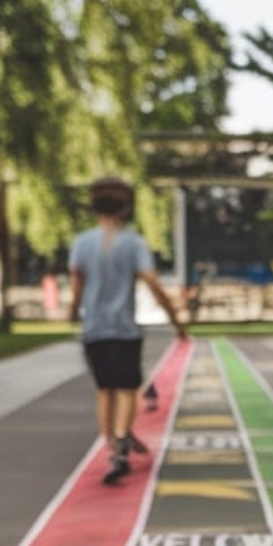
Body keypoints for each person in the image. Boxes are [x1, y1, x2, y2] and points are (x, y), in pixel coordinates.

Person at [69, 176, 188, 486]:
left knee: (104, 389)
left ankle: (112, 444)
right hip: (125, 328)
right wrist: (175, 317)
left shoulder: (82, 243)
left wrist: (73, 311)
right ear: (126, 208)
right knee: (127, 388)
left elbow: (77, 283)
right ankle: (121, 441)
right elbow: (151, 281)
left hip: (94, 328)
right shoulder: (133, 243)